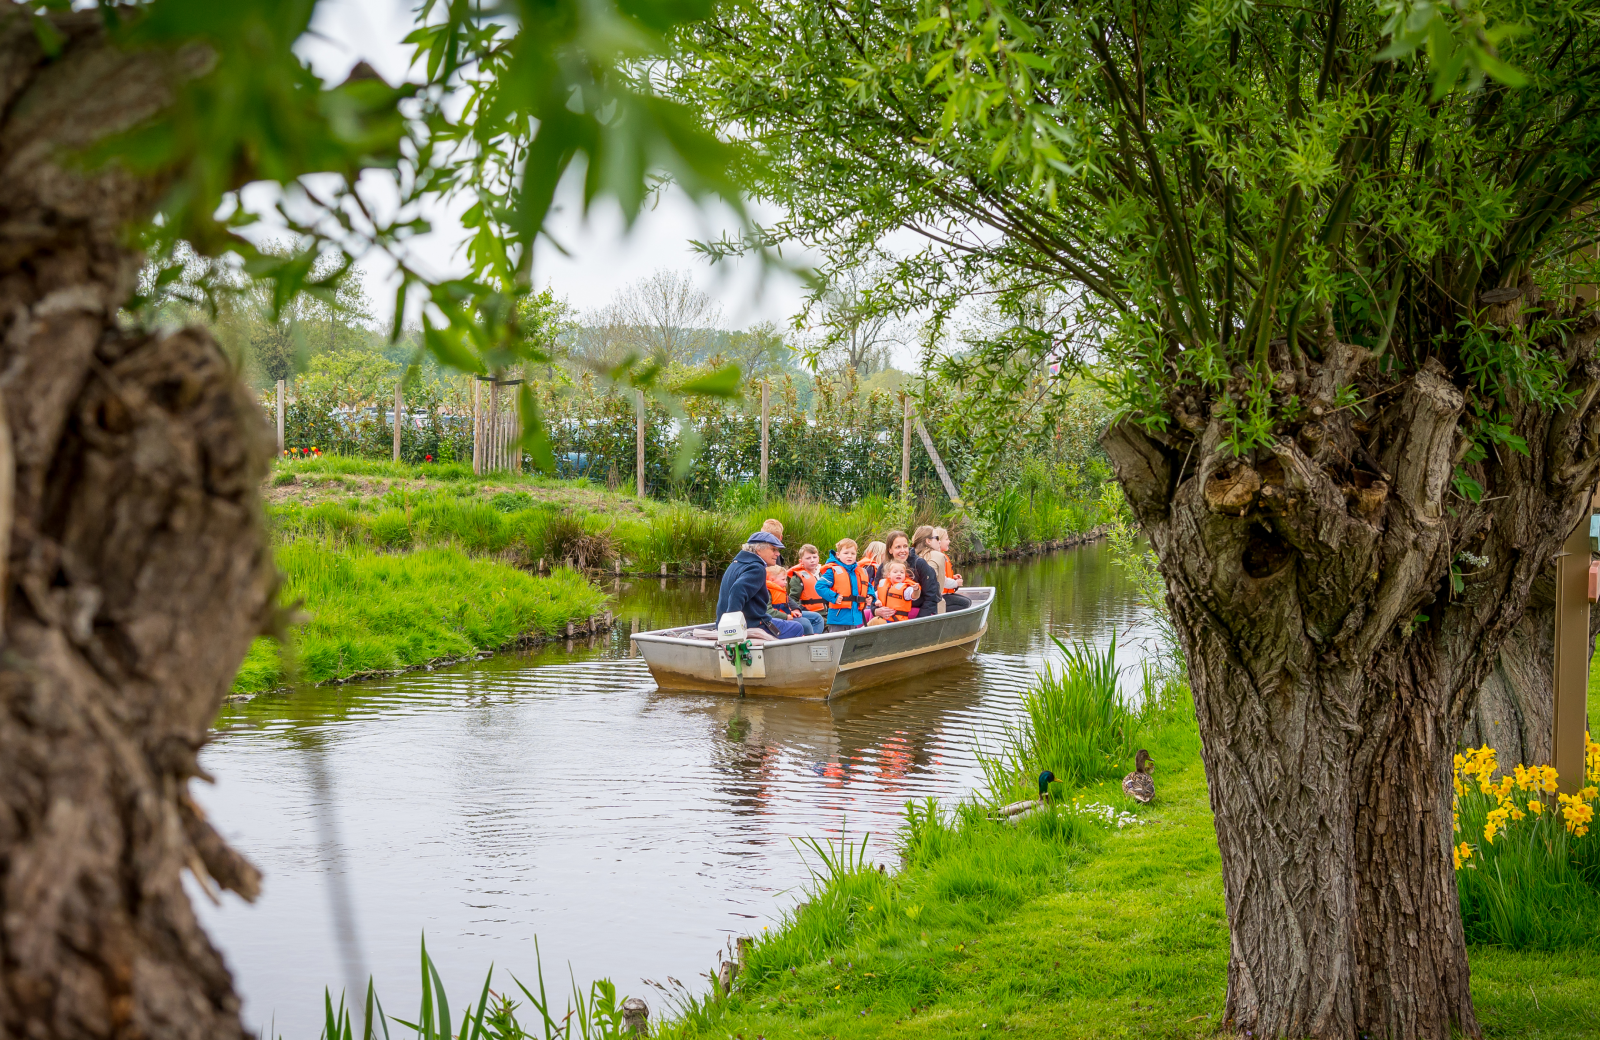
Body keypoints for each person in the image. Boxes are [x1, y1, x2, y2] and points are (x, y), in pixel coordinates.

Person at [715, 531, 805, 638]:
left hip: (723, 622)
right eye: (773, 549)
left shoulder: (736, 564)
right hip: (751, 625)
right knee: (798, 627)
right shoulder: (757, 568)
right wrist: (731, 628)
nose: (778, 554)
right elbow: (737, 591)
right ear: (759, 549)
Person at [817, 538, 869, 630]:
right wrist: (834, 597)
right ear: (838, 555)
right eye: (846, 553)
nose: (850, 556)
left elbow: (868, 586)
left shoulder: (859, 572)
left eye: (853, 553)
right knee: (837, 643)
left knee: (852, 644)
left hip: (855, 618)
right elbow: (819, 586)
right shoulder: (833, 571)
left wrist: (871, 596)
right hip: (838, 618)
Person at [921, 525, 971, 611]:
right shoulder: (937, 557)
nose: (949, 541)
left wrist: (953, 578)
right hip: (939, 595)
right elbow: (941, 580)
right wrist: (956, 583)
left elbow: (941, 576)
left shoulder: (941, 556)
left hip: (943, 593)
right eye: (947, 539)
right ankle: (940, 613)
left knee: (968, 601)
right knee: (966, 603)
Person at [766, 564, 823, 634]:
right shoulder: (767, 591)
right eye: (783, 579)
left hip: (787, 613)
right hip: (778, 619)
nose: (786, 582)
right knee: (805, 623)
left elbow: (786, 603)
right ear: (772, 580)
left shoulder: (780, 589)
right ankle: (809, 642)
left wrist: (794, 610)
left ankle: (815, 640)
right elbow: (768, 611)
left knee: (817, 618)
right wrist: (786, 616)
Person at [903, 527, 945, 618]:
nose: (939, 541)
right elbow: (940, 587)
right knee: (965, 603)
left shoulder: (908, 556)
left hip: (907, 605)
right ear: (928, 541)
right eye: (937, 538)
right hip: (929, 604)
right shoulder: (939, 556)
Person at [785, 543, 828, 629]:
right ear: (801, 561)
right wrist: (805, 611)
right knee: (828, 624)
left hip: (828, 613)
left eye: (814, 557)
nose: (812, 560)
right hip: (812, 614)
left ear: (818, 559)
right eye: (808, 558)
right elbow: (793, 600)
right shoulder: (797, 578)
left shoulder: (824, 574)